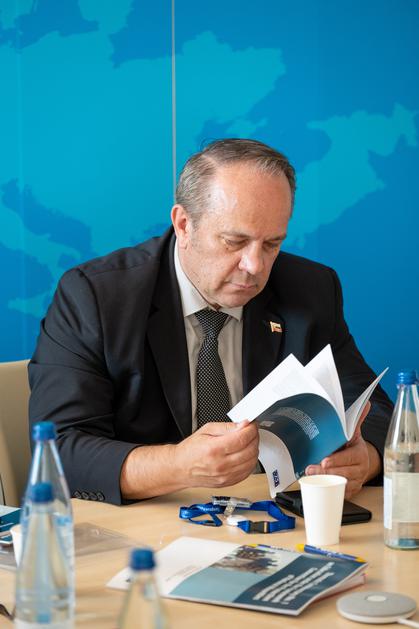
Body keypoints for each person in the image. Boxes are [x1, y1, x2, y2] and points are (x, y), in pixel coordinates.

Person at [28, 139, 393, 505]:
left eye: (271, 244)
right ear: (184, 225)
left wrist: (367, 459)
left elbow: (373, 410)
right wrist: (177, 465)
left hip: (270, 520)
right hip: (146, 523)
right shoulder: (95, 298)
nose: (255, 266)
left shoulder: (310, 289)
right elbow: (60, 452)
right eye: (235, 241)